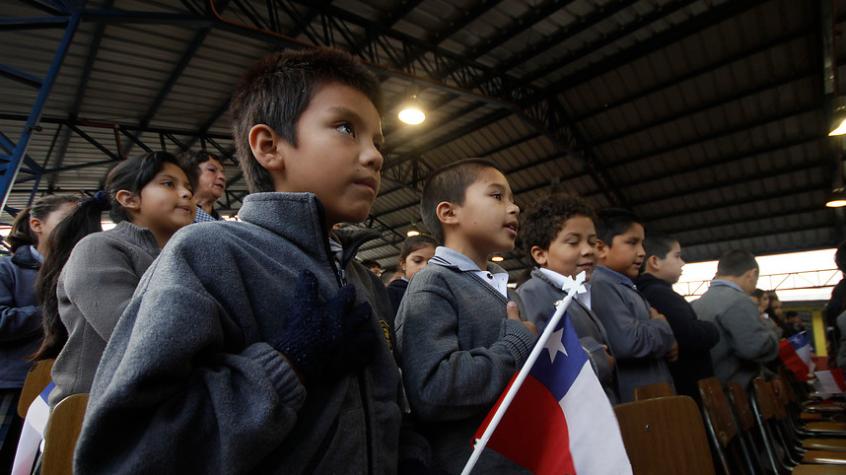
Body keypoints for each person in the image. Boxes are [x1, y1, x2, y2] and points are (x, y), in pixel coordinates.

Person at [75, 47, 427, 473]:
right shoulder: (207, 256)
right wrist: (289, 363)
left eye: (377, 141)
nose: (374, 156)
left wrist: (409, 459)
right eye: (346, 128)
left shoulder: (361, 280)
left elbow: (389, 405)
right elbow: (126, 457)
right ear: (269, 146)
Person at [396, 158, 537, 474]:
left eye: (513, 199)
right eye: (498, 196)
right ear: (449, 213)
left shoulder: (503, 288)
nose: (514, 208)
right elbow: (432, 389)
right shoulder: (432, 283)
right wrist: (516, 346)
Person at [32, 151, 195, 406]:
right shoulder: (97, 249)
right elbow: (136, 335)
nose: (186, 194)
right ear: (128, 199)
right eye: (168, 184)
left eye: (188, 187)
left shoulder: (180, 257)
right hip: (92, 410)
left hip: (158, 404)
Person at [0, 195, 78, 472]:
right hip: (12, 386)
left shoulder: (79, 271)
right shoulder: (7, 270)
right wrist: (55, 308)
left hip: (58, 388)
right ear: (37, 224)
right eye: (68, 220)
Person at [516, 192, 618, 401]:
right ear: (540, 254)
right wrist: (597, 357)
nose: (588, 250)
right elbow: (545, 361)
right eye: (573, 242)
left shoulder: (582, 289)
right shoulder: (533, 293)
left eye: (592, 242)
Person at [590, 208, 676, 402]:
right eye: (632, 242)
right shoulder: (601, 285)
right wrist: (663, 327)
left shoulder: (623, 285)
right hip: (638, 402)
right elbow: (630, 343)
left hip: (651, 397)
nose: (642, 253)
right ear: (601, 248)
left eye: (642, 244)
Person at [635, 234, 719, 401]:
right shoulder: (660, 294)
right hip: (687, 388)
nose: (682, 263)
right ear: (655, 262)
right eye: (677, 256)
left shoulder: (646, 291)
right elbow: (689, 335)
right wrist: (712, 328)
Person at [691, 250, 779, 388]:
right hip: (737, 392)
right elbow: (754, 348)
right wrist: (773, 333)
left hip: (712, 388)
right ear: (752, 274)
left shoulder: (697, 303)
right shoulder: (739, 301)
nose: (754, 286)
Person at [386, 234, 437, 316]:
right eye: (417, 261)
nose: (425, 267)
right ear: (403, 264)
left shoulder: (440, 293)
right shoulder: (391, 294)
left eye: (431, 262)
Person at [180, 150, 226, 222]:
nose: (222, 177)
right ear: (191, 175)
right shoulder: (178, 220)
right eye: (212, 170)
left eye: (223, 172)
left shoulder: (225, 225)